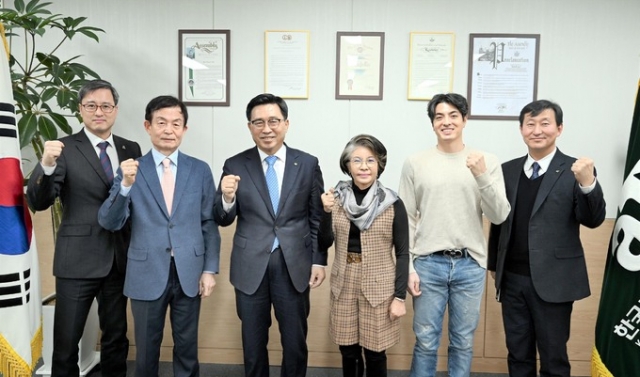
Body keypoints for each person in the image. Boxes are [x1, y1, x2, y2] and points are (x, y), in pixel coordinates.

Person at [98, 95, 221, 377]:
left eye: (176, 124)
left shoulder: (199, 169)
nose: (169, 130)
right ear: (148, 126)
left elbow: (208, 223)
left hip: (189, 272)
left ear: (185, 129)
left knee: (187, 349)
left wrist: (209, 269)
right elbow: (110, 221)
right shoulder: (131, 169)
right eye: (162, 123)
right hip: (145, 270)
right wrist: (125, 186)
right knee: (146, 351)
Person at [26, 79, 141, 377]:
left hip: (118, 257)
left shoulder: (131, 147)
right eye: (91, 105)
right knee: (66, 343)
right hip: (77, 259)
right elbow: (39, 201)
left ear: (115, 110)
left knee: (116, 337)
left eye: (106, 105)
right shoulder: (63, 148)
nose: (99, 111)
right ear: (80, 110)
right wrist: (47, 164)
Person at [487, 99, 606, 377]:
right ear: (521, 130)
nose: (537, 130)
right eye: (530, 124)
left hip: (555, 281)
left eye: (545, 123)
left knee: (553, 358)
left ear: (559, 129)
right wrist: (495, 265)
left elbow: (593, 219)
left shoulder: (576, 169)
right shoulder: (507, 170)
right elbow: (498, 221)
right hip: (512, 280)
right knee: (518, 355)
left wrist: (588, 183)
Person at [398, 93, 510, 377]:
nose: (446, 122)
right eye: (439, 116)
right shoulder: (415, 162)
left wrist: (482, 175)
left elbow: (499, 215)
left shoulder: (486, 161)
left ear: (465, 119)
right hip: (427, 264)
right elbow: (406, 219)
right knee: (425, 340)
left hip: (470, 264)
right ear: (432, 123)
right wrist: (408, 267)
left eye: (453, 116)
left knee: (462, 342)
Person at [213, 93, 326, 377]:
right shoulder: (235, 165)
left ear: (286, 124)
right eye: (258, 122)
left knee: (295, 342)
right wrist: (226, 198)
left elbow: (317, 217)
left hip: (294, 265)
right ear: (249, 126)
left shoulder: (308, 163)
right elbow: (223, 218)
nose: (267, 128)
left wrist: (319, 260)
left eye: (273, 121)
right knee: (252, 343)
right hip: (251, 266)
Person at [318, 134, 409, 377]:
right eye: (356, 160)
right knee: (348, 349)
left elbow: (402, 253)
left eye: (370, 160)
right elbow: (324, 242)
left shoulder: (392, 203)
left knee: (375, 351)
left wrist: (399, 297)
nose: (364, 166)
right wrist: (325, 212)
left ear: (380, 164)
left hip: (379, 286)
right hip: (343, 282)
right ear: (347, 165)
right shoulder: (335, 199)